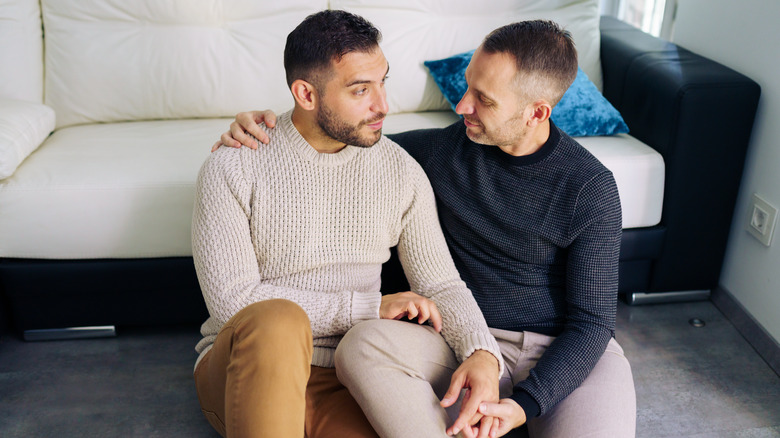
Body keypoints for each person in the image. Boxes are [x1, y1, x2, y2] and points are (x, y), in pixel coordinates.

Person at [217, 20, 636, 438]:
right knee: (364, 344)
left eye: (483, 100)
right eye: (467, 86)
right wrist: (263, 128)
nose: (461, 106)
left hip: (562, 351)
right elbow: (338, 135)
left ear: (537, 112)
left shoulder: (589, 188)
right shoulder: (429, 155)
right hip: (453, 345)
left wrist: (526, 402)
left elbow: (592, 325)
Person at [192, 9, 505, 438]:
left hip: (343, 374)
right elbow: (233, 302)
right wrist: (366, 309)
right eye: (361, 90)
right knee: (278, 321)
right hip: (244, 365)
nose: (382, 106)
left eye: (383, 82)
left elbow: (440, 285)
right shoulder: (233, 166)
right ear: (306, 94)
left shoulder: (401, 171)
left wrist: (482, 352)